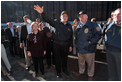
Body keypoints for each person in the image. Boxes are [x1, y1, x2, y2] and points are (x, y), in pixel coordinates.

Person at [34, 5, 73, 78]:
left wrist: (70, 45)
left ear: (67, 18)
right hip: (57, 45)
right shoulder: (56, 23)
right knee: (57, 59)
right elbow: (48, 19)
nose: (65, 17)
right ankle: (58, 72)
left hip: (65, 45)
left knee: (65, 59)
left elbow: (71, 37)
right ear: (60, 17)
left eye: (66, 16)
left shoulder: (69, 26)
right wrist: (42, 13)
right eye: (63, 16)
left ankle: (65, 70)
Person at [75, 11, 101, 81]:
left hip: (89, 49)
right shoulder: (78, 26)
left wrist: (91, 42)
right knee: (81, 62)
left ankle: (90, 74)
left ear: (87, 16)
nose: (81, 18)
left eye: (82, 16)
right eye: (79, 16)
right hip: (80, 49)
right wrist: (76, 43)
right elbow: (76, 37)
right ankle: (81, 71)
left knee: (90, 64)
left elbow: (98, 35)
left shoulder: (93, 24)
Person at [105, 8, 121, 81]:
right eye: (115, 15)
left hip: (119, 52)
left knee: (120, 71)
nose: (116, 16)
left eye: (119, 14)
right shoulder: (111, 25)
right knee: (111, 69)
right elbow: (106, 35)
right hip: (109, 51)